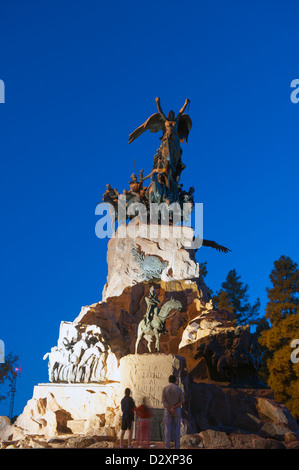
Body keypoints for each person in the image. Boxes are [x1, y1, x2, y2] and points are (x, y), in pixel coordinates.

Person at [162, 375, 185, 449]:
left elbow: (164, 401)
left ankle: (167, 447)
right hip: (177, 410)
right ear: (175, 380)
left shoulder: (165, 389)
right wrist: (174, 407)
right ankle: (177, 447)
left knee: (167, 429)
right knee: (177, 429)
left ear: (169, 380)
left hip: (167, 411)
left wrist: (170, 407)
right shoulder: (178, 389)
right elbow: (182, 400)